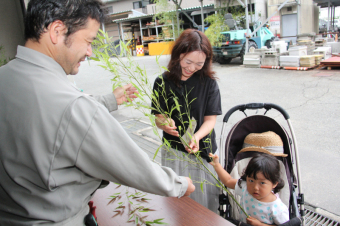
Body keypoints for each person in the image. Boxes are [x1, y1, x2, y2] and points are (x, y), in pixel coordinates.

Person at [0, 0, 195, 225]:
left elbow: (54, 118)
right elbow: (130, 164)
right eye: (89, 41)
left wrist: (109, 100)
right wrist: (179, 184)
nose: (90, 52)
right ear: (57, 31)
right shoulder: (74, 105)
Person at [151, 28, 222, 212]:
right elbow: (159, 118)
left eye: (199, 64)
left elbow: (210, 120)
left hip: (203, 150)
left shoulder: (209, 84)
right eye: (188, 61)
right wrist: (165, 125)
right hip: (174, 152)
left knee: (205, 204)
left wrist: (196, 137)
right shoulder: (162, 82)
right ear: (178, 55)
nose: (192, 68)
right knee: (179, 205)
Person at [209, 132, 289, 226]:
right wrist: (217, 166)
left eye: (262, 183)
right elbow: (228, 181)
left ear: (274, 183)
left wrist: (260, 225)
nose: (255, 187)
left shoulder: (277, 208)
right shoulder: (245, 187)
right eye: (251, 180)